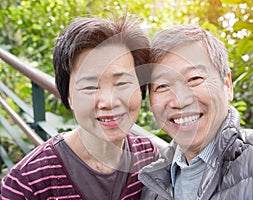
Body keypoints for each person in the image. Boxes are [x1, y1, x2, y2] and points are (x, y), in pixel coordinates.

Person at [1, 16, 159, 200]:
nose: (108, 101)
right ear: (68, 95)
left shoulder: (147, 156)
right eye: (90, 87)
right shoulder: (26, 184)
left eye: (123, 83)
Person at [138, 24, 253, 200]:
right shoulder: (152, 187)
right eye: (162, 86)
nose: (180, 100)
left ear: (227, 85)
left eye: (194, 79)